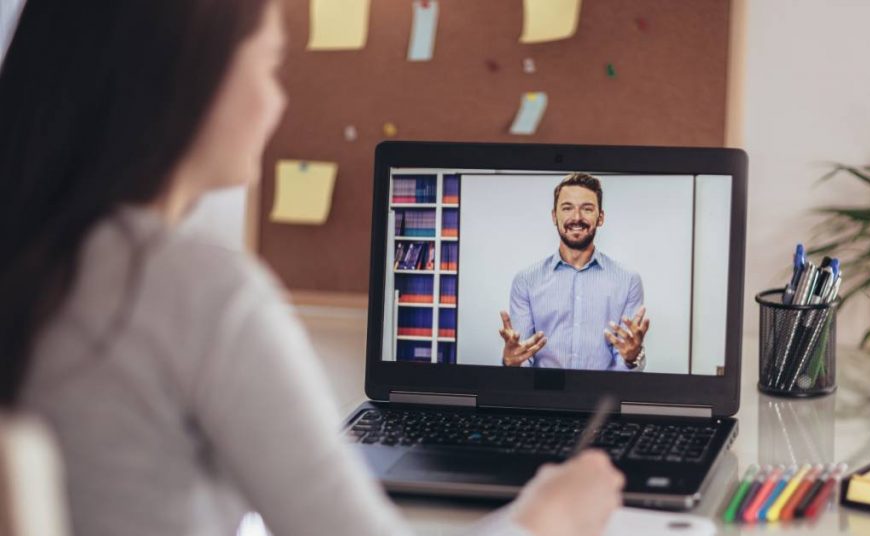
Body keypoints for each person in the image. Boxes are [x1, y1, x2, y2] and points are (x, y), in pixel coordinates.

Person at [0, 2, 624, 535]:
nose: (279, 100)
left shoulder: (36, 255)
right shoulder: (197, 292)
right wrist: (548, 516)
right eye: (271, 65)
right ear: (194, 76)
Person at [499, 174, 651, 371]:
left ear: (601, 217)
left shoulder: (628, 281)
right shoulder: (526, 280)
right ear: (554, 216)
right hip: (542, 396)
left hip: (602, 397)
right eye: (567, 208)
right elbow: (521, 355)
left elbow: (624, 360)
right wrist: (511, 361)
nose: (577, 217)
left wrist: (632, 358)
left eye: (587, 209)